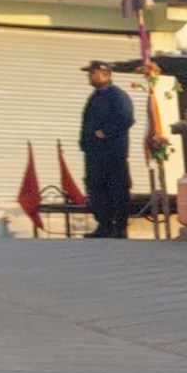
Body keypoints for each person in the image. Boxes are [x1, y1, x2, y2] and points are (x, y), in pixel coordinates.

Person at [79, 60, 136, 239]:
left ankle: (119, 227)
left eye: (93, 73)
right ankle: (103, 224)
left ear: (105, 74)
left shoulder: (116, 95)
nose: (90, 77)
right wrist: (85, 142)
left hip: (113, 153)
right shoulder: (95, 97)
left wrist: (105, 132)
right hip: (95, 154)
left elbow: (126, 119)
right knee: (97, 188)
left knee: (117, 189)